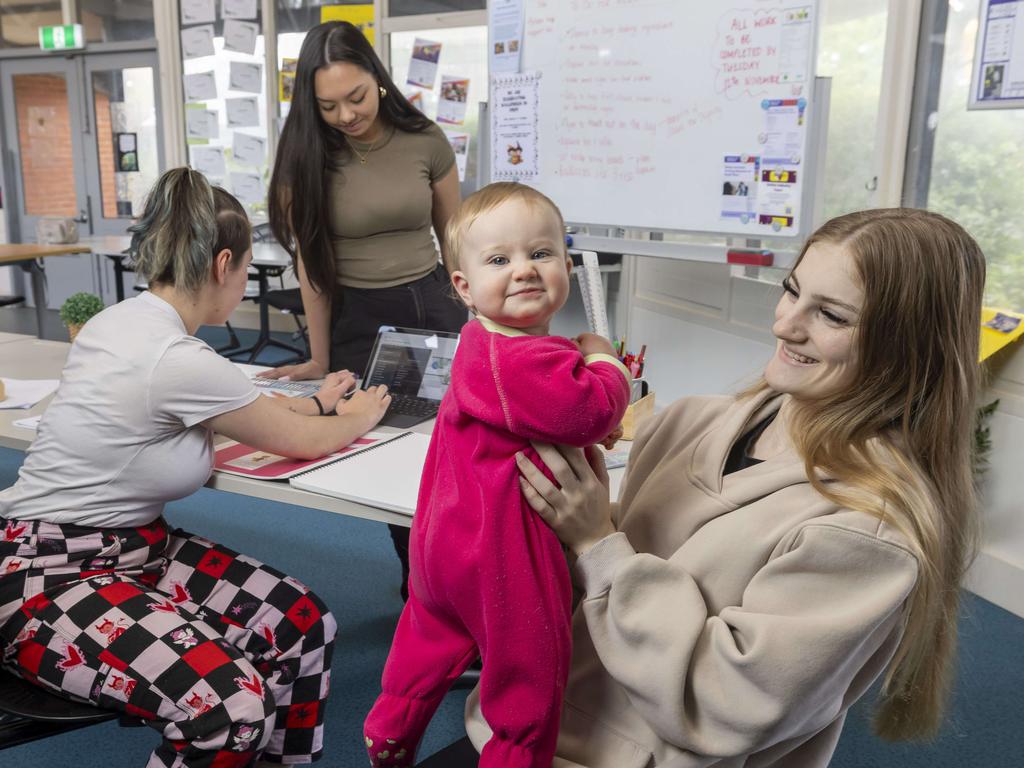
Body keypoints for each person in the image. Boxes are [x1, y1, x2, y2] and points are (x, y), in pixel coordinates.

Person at [436, 208, 984, 767]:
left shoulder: (868, 529)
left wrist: (595, 542)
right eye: (791, 292)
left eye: (832, 317)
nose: (786, 326)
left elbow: (721, 703)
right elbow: (619, 554)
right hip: (522, 730)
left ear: (907, 346)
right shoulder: (690, 421)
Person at [0, 168, 391, 767]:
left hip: (133, 551)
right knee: (226, 707)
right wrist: (359, 414)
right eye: (245, 272)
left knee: (301, 622)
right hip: (48, 578)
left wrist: (316, 401)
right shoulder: (177, 356)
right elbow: (302, 441)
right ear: (223, 263)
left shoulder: (123, 321)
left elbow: (242, 407)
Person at [363, 183, 631, 768]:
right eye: (499, 259)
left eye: (541, 253)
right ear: (464, 287)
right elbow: (593, 407)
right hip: (503, 555)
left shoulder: (479, 341)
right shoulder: (523, 358)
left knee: (431, 636)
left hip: (445, 540)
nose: (524, 271)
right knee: (529, 675)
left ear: (565, 262)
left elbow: (550, 419)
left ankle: (390, 728)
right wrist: (603, 356)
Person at [265, 21, 466, 598]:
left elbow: (455, 239)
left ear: (378, 80)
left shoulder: (425, 139)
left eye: (356, 97)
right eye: (328, 105)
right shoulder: (305, 157)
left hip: (435, 304)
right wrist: (317, 357)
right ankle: (421, 591)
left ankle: (457, 585)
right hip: (361, 318)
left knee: (455, 453)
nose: (346, 115)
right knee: (388, 457)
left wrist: (482, 323)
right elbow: (312, 269)